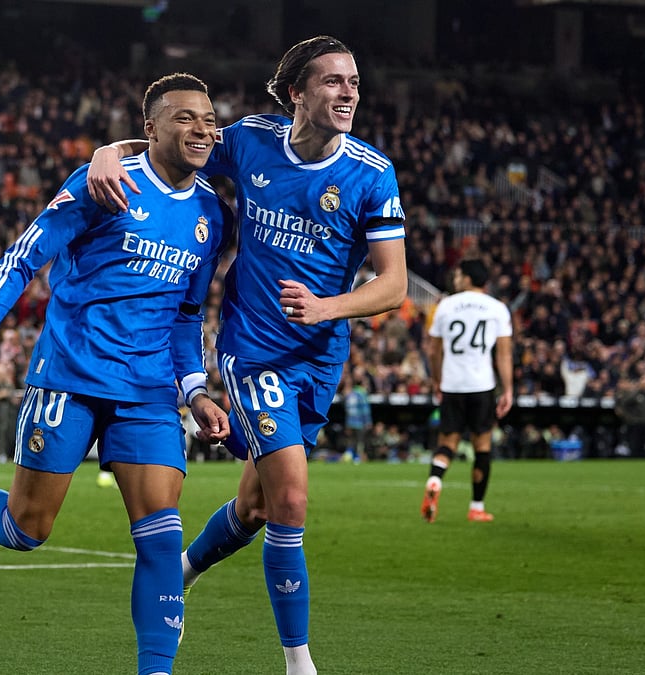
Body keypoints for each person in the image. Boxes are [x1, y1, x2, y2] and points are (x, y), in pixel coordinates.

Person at [87, 36, 408, 675]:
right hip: (252, 350)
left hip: (320, 356)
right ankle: (299, 662)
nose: (347, 92)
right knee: (290, 502)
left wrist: (326, 308)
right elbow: (177, 144)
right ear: (296, 93)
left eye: (353, 81)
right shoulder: (252, 141)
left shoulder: (372, 173)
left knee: (256, 508)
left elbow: (393, 283)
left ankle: (182, 569)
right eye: (332, 82)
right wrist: (107, 151)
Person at [0, 73, 232, 675]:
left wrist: (194, 390)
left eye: (209, 119)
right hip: (70, 378)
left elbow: (188, 314)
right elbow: (23, 256)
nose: (202, 128)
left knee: (161, 539)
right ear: (149, 128)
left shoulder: (210, 212)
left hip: (149, 393)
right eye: (184, 117)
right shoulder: (104, 182)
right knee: (27, 528)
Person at [422, 259, 514, 523]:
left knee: (447, 444)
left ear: (469, 278)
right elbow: (504, 355)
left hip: (452, 384)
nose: (456, 278)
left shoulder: (445, 306)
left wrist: (437, 380)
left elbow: (433, 351)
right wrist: (508, 389)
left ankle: (435, 479)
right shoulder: (497, 308)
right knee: (482, 446)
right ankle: (476, 507)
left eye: (459, 274)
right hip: (482, 385)